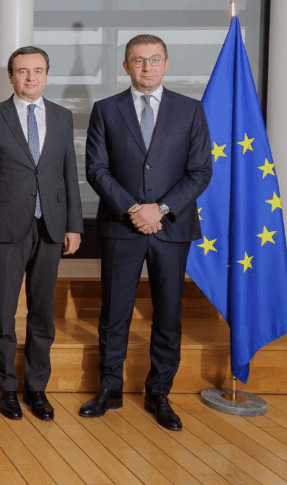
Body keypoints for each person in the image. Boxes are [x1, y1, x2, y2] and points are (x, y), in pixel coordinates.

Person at [82, 34, 212, 431]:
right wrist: (135, 209)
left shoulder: (190, 111)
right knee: (114, 313)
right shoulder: (106, 110)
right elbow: (96, 169)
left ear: (166, 63)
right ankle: (109, 388)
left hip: (171, 228)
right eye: (138, 60)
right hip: (122, 227)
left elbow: (201, 171)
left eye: (154, 59)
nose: (147, 67)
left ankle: (159, 392)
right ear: (126, 66)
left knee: (168, 315)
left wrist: (162, 208)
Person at [0, 46, 83, 422]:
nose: (30, 78)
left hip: (51, 226)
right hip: (4, 228)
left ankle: (36, 387)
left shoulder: (63, 117)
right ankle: (6, 388)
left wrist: (74, 225)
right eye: (22, 71)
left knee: (42, 312)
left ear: (47, 75)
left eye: (37, 71)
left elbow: (69, 175)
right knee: (3, 310)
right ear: (11, 76)